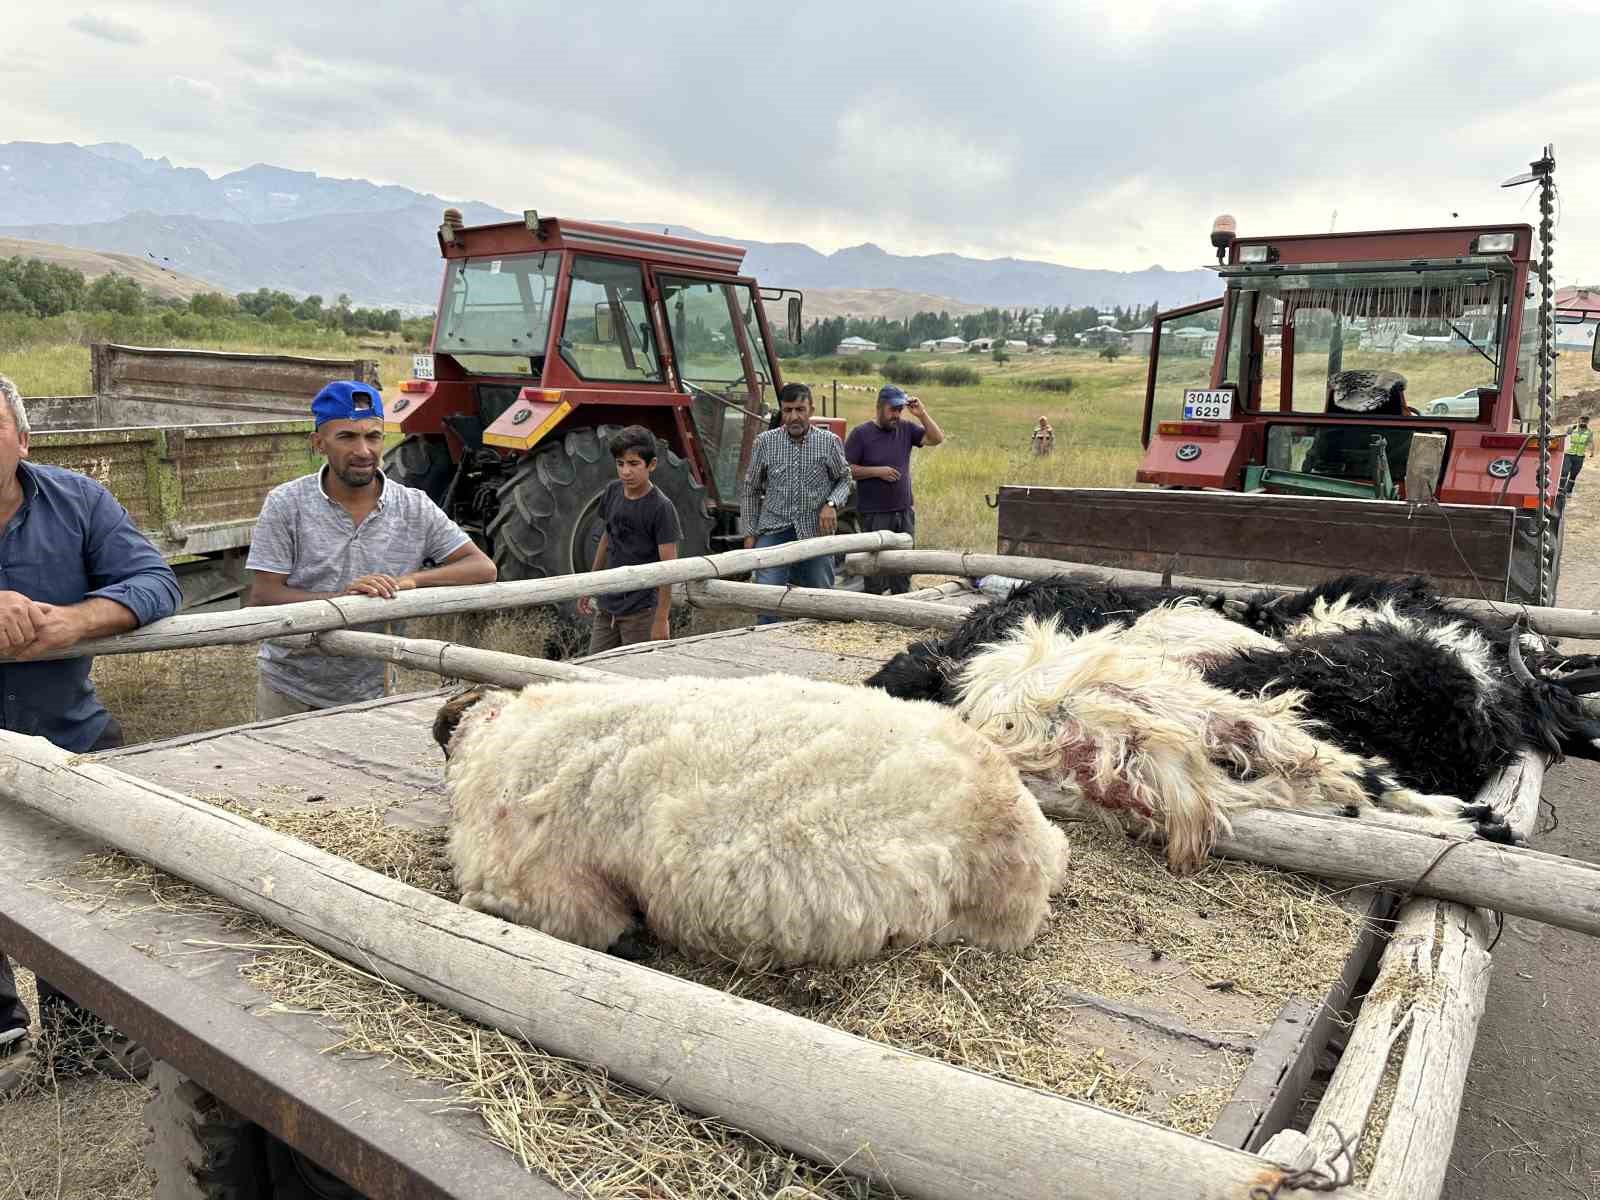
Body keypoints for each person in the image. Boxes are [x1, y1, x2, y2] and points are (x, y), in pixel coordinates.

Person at [0, 373, 182, 1096]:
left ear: (22, 439)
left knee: (77, 890)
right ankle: (6, 1036)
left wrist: (77, 619)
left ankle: (81, 1038)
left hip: (61, 736)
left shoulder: (78, 501)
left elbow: (154, 582)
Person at [246, 381, 496, 718]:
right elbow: (263, 595)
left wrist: (410, 581)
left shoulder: (412, 506)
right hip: (292, 690)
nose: (363, 450)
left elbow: (482, 568)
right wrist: (344, 599)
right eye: (347, 437)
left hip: (374, 691)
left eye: (373, 436)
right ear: (318, 442)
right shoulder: (286, 504)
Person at [738, 382, 851, 625]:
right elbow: (751, 489)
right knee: (767, 600)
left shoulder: (829, 442)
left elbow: (845, 479)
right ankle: (770, 648)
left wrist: (831, 504)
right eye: (788, 410)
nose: (794, 417)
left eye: (800, 409)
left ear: (810, 410)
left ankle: (818, 649)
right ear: (781, 410)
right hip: (774, 530)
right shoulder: (765, 443)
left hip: (814, 532)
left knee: (820, 602)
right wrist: (749, 534)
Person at [576, 426, 682, 651]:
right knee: (595, 666)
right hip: (607, 607)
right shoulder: (613, 491)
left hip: (640, 612)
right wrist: (590, 584)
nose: (625, 472)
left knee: (634, 674)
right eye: (620, 463)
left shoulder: (661, 508)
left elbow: (669, 568)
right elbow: (607, 538)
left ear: (651, 464)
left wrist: (661, 619)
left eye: (634, 464)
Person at [844, 385, 945, 595]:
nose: (896, 415)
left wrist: (922, 414)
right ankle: (873, 613)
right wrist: (876, 472)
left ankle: (900, 607)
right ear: (879, 407)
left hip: (904, 512)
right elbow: (846, 470)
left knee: (904, 568)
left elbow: (937, 438)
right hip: (874, 514)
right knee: (875, 570)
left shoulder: (906, 429)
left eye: (900, 410)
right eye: (893, 409)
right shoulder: (861, 434)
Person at [1562, 414, 1593, 497]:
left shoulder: (1589, 432)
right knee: (1564, 472)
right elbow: (1565, 437)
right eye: (1582, 421)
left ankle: (1569, 492)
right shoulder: (1572, 428)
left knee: (1573, 475)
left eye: (1586, 421)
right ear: (1579, 420)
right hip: (1568, 454)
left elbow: (1590, 442)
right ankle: (1560, 490)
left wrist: (1592, 451)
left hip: (1580, 456)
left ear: (1588, 422)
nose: (1583, 422)